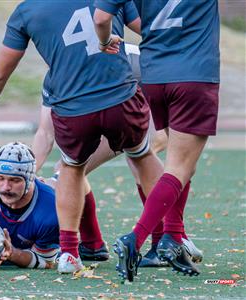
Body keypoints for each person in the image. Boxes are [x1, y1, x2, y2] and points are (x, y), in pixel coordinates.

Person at [0, 0, 166, 274]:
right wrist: (31, 176)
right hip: (123, 98)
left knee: (72, 168)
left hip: (82, 106)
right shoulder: (105, 11)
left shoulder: (29, 13)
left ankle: (71, 252)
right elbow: (157, 31)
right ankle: (162, 239)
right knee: (138, 155)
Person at [31, 44, 203, 268]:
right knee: (73, 165)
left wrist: (57, 178)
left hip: (170, 86)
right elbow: (45, 132)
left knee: (142, 155)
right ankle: (94, 244)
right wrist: (29, 174)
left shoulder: (124, 60)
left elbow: (137, 130)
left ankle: (173, 236)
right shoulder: (57, 76)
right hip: (131, 108)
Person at [94, 0, 220, 281]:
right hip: (194, 74)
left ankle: (173, 238)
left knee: (184, 162)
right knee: (179, 166)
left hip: (155, 76)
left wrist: (104, 41)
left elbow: (102, 18)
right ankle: (136, 239)